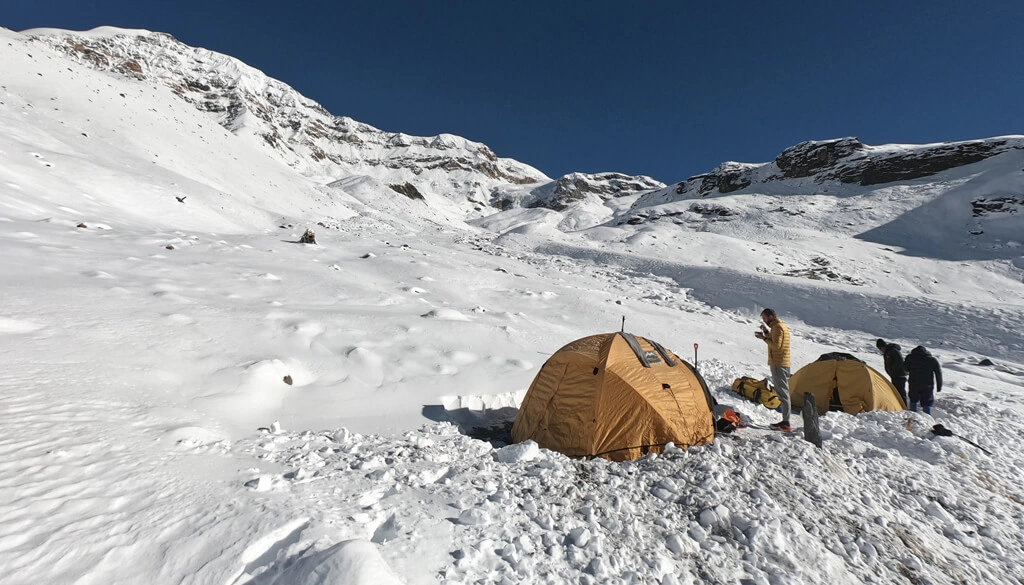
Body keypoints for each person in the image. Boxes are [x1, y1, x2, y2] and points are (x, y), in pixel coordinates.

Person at [754, 308, 791, 431]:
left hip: (778, 363)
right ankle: (785, 421)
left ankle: (786, 423)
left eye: (765, 318)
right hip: (782, 362)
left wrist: (763, 338)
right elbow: (775, 340)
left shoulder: (778, 328)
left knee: (782, 393)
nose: (764, 321)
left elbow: (776, 346)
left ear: (770, 317)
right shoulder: (780, 326)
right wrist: (765, 332)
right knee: (783, 391)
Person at [904, 345, 942, 414]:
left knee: (913, 399)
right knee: (927, 401)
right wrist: (939, 386)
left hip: (914, 383)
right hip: (927, 384)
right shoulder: (932, 360)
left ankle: (913, 416)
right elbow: (938, 373)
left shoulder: (910, 357)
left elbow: (905, 368)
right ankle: (927, 418)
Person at [876, 338, 908, 407]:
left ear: (883, 346)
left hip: (899, 375)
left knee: (900, 392)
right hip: (894, 375)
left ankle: (904, 406)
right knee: (896, 391)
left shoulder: (893, 351)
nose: (881, 350)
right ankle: (899, 405)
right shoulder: (887, 352)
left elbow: (899, 361)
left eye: (881, 348)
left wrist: (893, 370)